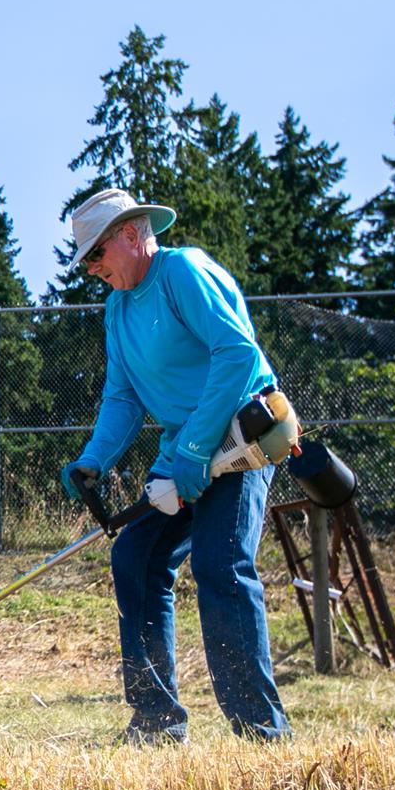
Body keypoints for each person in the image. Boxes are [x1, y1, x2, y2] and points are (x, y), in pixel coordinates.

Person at [57, 189, 292, 743]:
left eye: (97, 254)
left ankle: (261, 732)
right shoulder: (118, 307)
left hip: (239, 442)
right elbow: (122, 396)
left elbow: (238, 356)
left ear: (132, 235)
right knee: (136, 556)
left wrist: (192, 454)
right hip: (183, 455)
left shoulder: (183, 271)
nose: (93, 269)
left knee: (220, 566)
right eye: (86, 260)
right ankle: (157, 723)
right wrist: (94, 460)